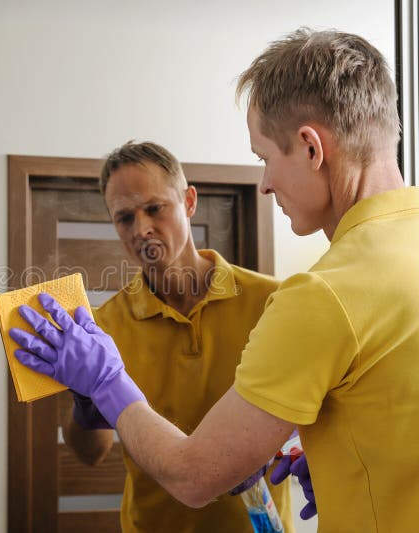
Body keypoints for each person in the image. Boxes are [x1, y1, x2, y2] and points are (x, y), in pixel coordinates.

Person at [11, 28, 419, 532]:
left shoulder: (317, 295)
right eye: (124, 217)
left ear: (310, 148)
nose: (265, 184)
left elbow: (194, 476)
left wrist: (107, 381)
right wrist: (341, 460)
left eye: (264, 157)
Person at [61, 140, 294, 532]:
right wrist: (85, 398)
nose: (142, 229)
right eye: (125, 218)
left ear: (188, 201)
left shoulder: (272, 301)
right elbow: (91, 454)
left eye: (154, 209)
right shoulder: (105, 326)